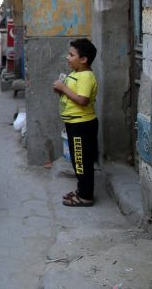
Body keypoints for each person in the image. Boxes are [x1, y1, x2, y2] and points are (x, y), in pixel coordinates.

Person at [52, 38, 99, 207]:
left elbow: (83, 100)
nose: (68, 58)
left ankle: (86, 196)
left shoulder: (86, 76)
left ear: (84, 59)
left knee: (81, 161)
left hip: (82, 125)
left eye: (72, 55)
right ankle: (81, 190)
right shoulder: (76, 74)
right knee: (78, 160)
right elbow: (72, 96)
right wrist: (61, 91)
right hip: (74, 124)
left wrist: (63, 88)